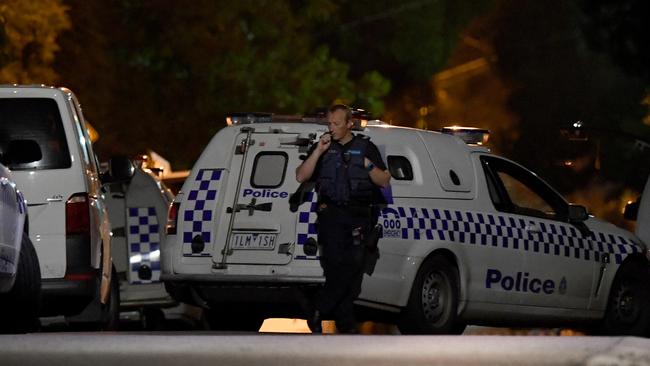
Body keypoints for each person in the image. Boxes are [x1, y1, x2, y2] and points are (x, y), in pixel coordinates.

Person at [296, 104, 391, 333]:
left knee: (353, 266)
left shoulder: (366, 147)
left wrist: (365, 164)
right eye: (330, 123)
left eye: (337, 123)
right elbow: (301, 175)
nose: (332, 128)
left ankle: (319, 308)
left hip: (358, 215)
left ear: (350, 123)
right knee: (336, 266)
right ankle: (345, 325)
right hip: (331, 216)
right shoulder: (324, 148)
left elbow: (384, 180)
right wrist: (318, 150)